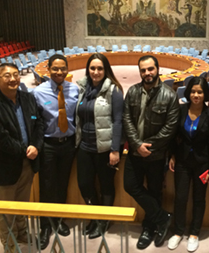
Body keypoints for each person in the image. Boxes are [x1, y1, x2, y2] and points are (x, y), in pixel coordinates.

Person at [0, 63, 43, 252]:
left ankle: (22, 233)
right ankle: (9, 244)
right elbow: (0, 138)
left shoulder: (28, 98)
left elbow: (38, 124)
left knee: (22, 203)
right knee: (6, 209)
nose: (13, 79)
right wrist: (26, 150)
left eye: (16, 74)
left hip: (28, 162)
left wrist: (37, 146)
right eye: (7, 76)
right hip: (6, 165)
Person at [123, 55, 180, 249]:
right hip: (134, 152)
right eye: (143, 70)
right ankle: (163, 218)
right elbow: (127, 119)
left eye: (150, 69)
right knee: (130, 185)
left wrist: (148, 146)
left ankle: (149, 228)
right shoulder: (132, 91)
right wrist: (137, 144)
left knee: (155, 192)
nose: (147, 73)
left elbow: (170, 128)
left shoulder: (170, 95)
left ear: (158, 69)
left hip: (155, 155)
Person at [75, 53, 124, 239]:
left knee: (106, 186)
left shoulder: (114, 90)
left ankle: (103, 221)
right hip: (84, 146)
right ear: (88, 69)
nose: (96, 72)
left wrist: (114, 149)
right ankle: (95, 217)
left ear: (106, 70)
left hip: (105, 149)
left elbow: (118, 121)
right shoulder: (81, 89)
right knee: (84, 185)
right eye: (92, 68)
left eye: (100, 68)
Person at [168, 77, 209, 252]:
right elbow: (173, 135)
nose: (196, 95)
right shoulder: (181, 110)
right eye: (193, 91)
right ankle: (178, 231)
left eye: (200, 92)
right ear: (188, 93)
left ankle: (194, 233)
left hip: (202, 164)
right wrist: (173, 155)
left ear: (205, 94)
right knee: (180, 198)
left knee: (199, 199)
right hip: (182, 161)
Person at [33, 54, 79, 250]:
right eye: (55, 69)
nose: (59, 72)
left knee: (62, 183)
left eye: (62, 68)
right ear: (48, 69)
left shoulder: (75, 89)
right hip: (48, 145)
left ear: (67, 69)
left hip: (68, 144)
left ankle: (59, 220)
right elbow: (34, 121)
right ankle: (45, 226)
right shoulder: (38, 93)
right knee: (47, 184)